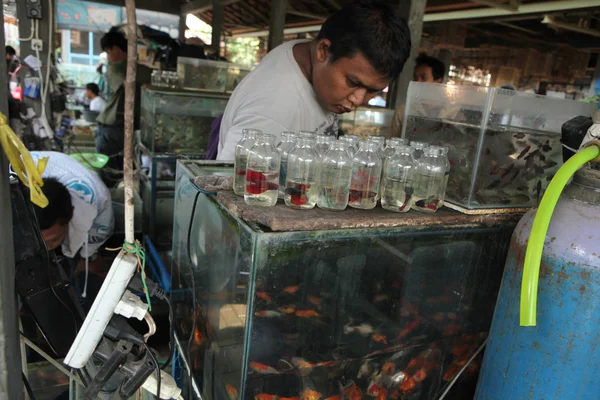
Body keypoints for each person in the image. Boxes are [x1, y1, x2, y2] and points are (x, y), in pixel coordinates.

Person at [217, 0, 411, 160]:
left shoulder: (303, 54)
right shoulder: (272, 105)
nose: (359, 100)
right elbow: (227, 188)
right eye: (353, 82)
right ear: (323, 51)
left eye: (373, 90)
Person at [30, 151, 114, 277]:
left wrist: (86, 260)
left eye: (53, 239)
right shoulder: (11, 188)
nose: (46, 247)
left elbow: (94, 243)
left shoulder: (98, 200)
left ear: (69, 218)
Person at [95, 27, 151, 179]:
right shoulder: (138, 70)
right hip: (116, 127)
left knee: (113, 170)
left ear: (116, 49)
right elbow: (129, 85)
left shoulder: (118, 68)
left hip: (114, 128)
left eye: (108, 52)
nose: (108, 56)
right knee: (120, 170)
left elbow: (130, 84)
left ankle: (116, 200)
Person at [390, 54, 446, 137]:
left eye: (423, 77)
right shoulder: (403, 111)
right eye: (415, 77)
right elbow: (392, 141)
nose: (417, 81)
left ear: (438, 81)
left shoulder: (451, 113)